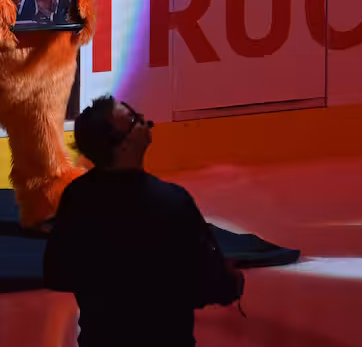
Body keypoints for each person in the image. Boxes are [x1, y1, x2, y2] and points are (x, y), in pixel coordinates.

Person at [44, 95, 245, 347]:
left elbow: (56, 272)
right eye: (132, 120)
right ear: (122, 146)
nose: (143, 121)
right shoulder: (172, 202)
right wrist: (232, 280)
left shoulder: (77, 198)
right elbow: (210, 284)